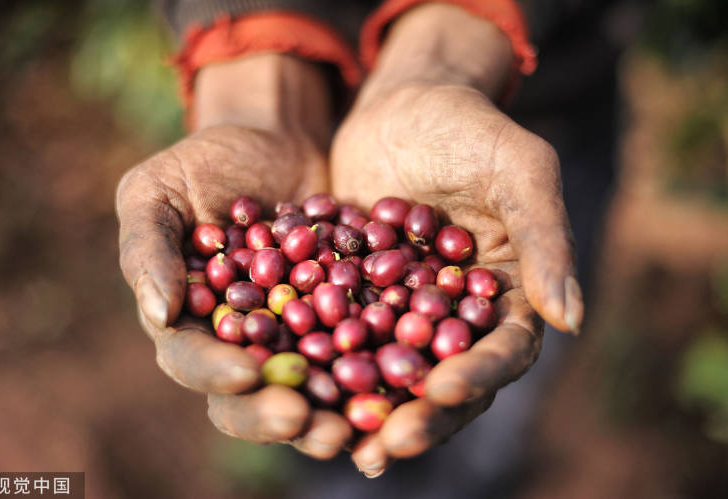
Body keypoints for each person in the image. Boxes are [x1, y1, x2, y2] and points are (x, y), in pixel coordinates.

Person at [116, 0, 619, 490]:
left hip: (527, 109)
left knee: (497, 387)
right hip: (330, 107)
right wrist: (257, 78)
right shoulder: (325, 266)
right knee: (321, 433)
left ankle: (479, 474)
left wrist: (442, 54)